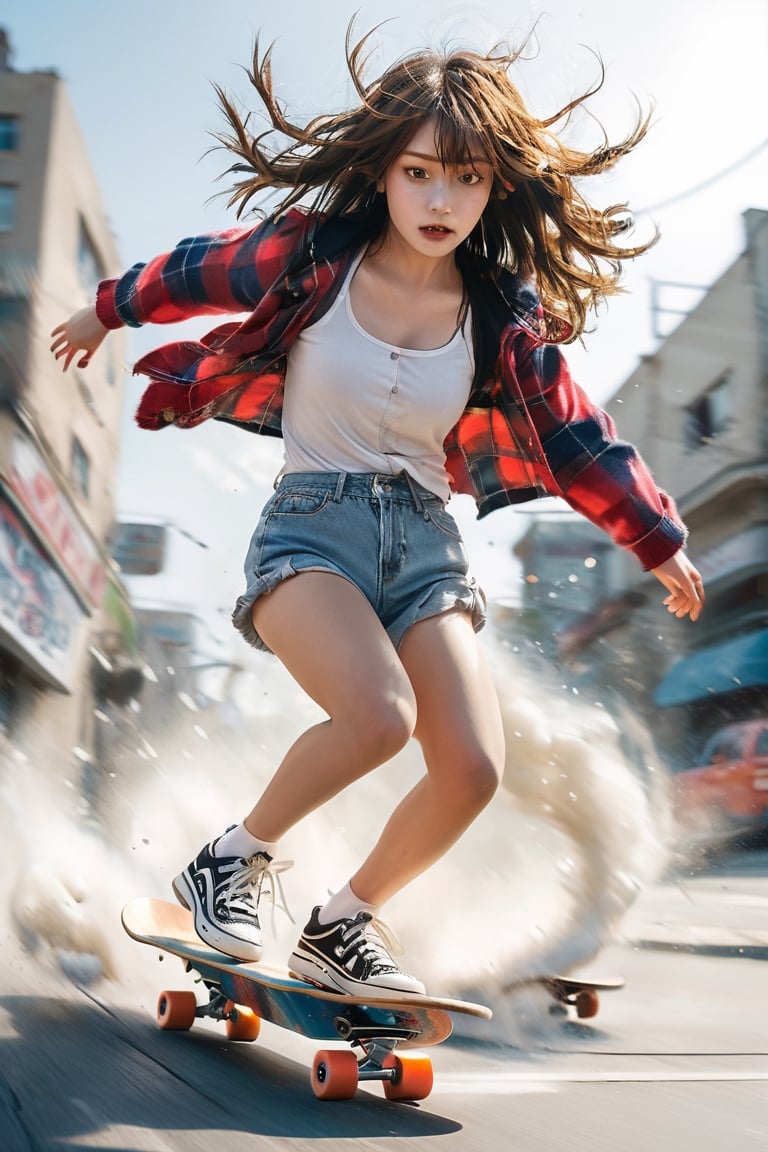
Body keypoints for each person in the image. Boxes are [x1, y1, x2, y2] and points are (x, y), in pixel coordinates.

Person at [51, 29, 704, 999]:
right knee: (379, 719)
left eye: (468, 179)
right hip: (311, 531)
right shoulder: (318, 258)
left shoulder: (498, 313)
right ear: (385, 174)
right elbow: (202, 267)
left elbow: (578, 435)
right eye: (418, 173)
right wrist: (108, 307)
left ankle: (344, 921)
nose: (441, 202)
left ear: (495, 189)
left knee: (473, 767)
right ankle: (228, 861)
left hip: (427, 554)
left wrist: (656, 538)